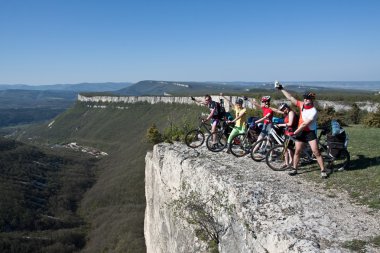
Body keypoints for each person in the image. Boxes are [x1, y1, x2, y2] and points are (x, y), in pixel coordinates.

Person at [275, 81, 328, 178]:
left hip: (309, 132)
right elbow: (291, 98)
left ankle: (323, 170)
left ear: (312, 100)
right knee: (297, 151)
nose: (306, 100)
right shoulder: (302, 105)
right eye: (305, 98)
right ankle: (295, 169)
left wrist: (294, 132)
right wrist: (281, 89)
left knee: (316, 152)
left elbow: (304, 124)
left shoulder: (313, 111)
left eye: (308, 99)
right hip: (301, 132)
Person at [272, 103, 298, 168]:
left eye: (283, 109)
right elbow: (277, 111)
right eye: (281, 109)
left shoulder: (291, 113)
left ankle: (291, 162)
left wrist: (281, 125)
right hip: (287, 132)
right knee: (285, 148)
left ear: (286, 108)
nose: (282, 110)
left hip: (292, 133)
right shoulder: (286, 113)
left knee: (289, 148)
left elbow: (290, 123)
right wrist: (269, 107)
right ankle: (286, 163)